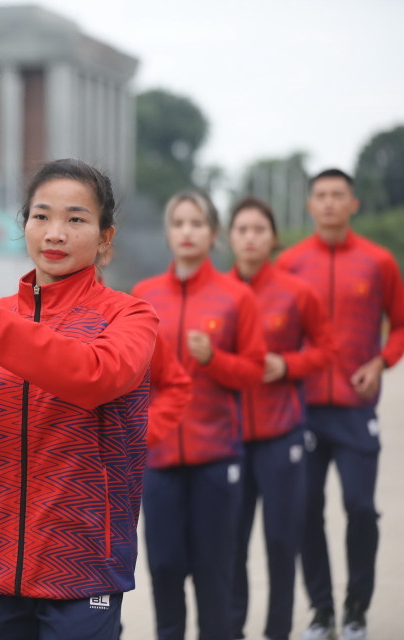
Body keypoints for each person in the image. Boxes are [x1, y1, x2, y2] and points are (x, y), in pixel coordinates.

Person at [0, 159, 159, 640]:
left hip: (83, 566)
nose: (55, 233)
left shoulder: (129, 317)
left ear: (105, 237)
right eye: (41, 216)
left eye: (76, 219)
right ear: (24, 225)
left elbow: (95, 375)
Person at [132, 189, 266, 640]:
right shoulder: (144, 297)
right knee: (165, 568)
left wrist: (214, 360)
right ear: (168, 233)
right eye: (178, 223)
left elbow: (254, 372)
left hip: (217, 457)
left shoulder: (236, 297)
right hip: (158, 459)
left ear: (213, 234)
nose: (187, 232)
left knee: (215, 572)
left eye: (197, 223)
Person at [276, 169, 404, 640]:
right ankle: (321, 610)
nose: (329, 202)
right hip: (303, 410)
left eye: (338, 195)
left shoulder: (378, 262)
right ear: (310, 205)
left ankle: (356, 610)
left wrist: (382, 361)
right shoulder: (290, 264)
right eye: (321, 195)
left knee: (361, 507)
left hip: (354, 408)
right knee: (306, 510)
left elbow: (400, 324)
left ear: (354, 204)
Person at [226, 197, 337, 640]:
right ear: (229, 237)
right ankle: (230, 630)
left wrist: (287, 365)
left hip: (281, 436)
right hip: (229, 440)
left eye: (259, 229)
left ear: (273, 238)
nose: (250, 238)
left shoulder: (297, 293)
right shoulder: (217, 293)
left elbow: (326, 349)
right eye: (242, 229)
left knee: (280, 543)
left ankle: (278, 632)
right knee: (231, 545)